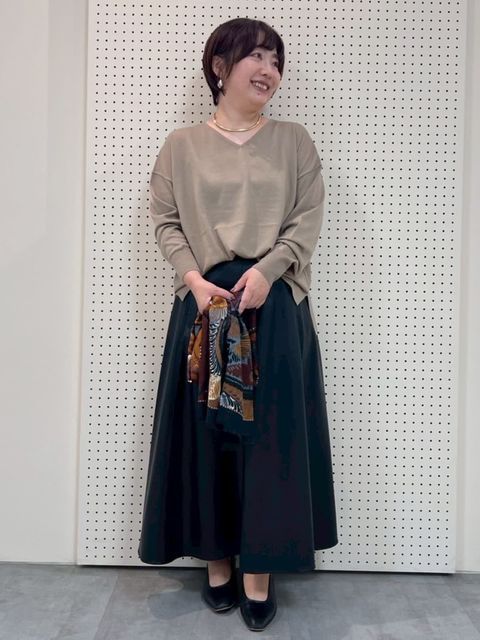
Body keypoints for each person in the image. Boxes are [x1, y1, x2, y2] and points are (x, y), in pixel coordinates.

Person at [138, 17, 338, 632]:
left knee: (270, 440)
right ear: (220, 67)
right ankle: (217, 562)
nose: (269, 70)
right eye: (256, 56)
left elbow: (306, 217)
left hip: (272, 305)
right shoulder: (181, 146)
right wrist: (195, 282)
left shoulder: (294, 141)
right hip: (205, 305)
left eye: (276, 60)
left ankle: (260, 571)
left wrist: (268, 272)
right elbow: (166, 221)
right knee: (207, 437)